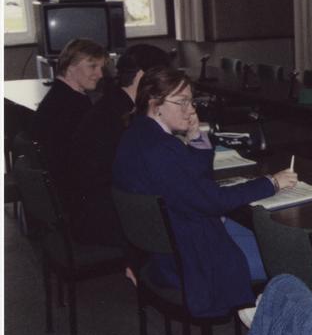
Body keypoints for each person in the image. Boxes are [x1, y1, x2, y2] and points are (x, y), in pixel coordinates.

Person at [112, 67, 298, 318]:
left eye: (192, 101)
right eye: (182, 102)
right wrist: (271, 183)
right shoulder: (162, 148)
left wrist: (196, 137)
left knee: (252, 230)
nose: (191, 110)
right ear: (155, 103)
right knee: (285, 253)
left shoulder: (138, 134)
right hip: (191, 259)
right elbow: (212, 200)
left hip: (163, 252)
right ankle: (270, 329)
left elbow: (196, 181)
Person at [70, 44, 173, 246]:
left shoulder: (113, 102)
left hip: (89, 206)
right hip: (103, 216)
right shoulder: (124, 116)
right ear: (143, 77)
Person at [30, 38, 108, 205]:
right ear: (70, 66)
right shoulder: (74, 105)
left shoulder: (59, 95)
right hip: (73, 195)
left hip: (58, 189)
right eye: (93, 66)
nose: (100, 74)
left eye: (101, 67)